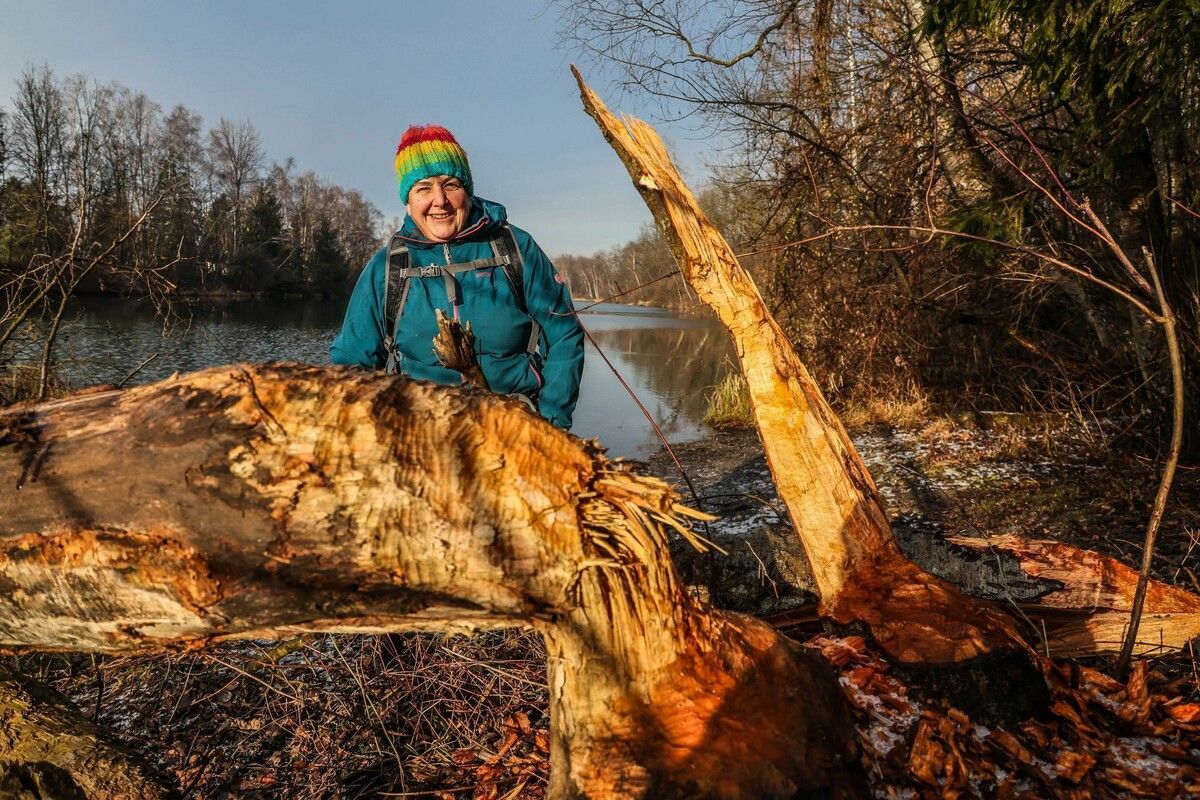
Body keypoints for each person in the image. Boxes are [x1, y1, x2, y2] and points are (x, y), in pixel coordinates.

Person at [331, 125, 584, 429]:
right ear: (408, 202)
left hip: (513, 425)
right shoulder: (388, 266)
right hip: (420, 433)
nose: (440, 200)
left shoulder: (515, 248)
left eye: (450, 184)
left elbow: (564, 332)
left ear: (467, 190)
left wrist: (550, 423)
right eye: (423, 188)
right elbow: (351, 364)